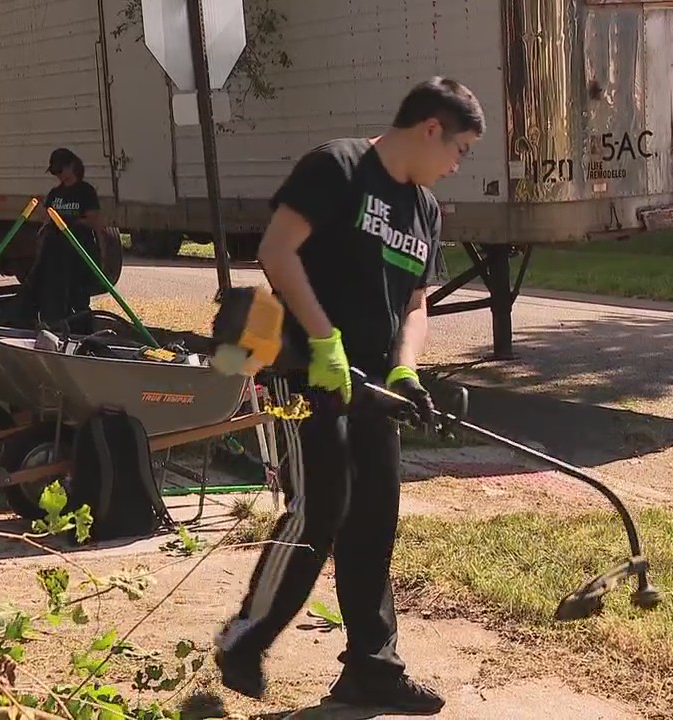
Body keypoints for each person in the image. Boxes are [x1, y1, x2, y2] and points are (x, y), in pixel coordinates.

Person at [213, 77, 485, 714]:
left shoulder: (425, 209)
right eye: (460, 149)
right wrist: (323, 339)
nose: (457, 164)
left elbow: (415, 302)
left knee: (375, 520)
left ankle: (373, 668)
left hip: (373, 390)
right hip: (308, 373)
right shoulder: (337, 167)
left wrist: (405, 371)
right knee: (322, 506)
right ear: (431, 129)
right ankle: (244, 639)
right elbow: (276, 250)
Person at [13, 147, 105, 335]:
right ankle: (53, 327)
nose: (58, 175)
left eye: (59, 170)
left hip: (77, 249)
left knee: (77, 294)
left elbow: (94, 221)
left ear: (71, 166)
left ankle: (80, 330)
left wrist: (73, 223)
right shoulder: (55, 194)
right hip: (55, 251)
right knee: (52, 293)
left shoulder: (85, 191)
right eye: (54, 172)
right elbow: (47, 220)